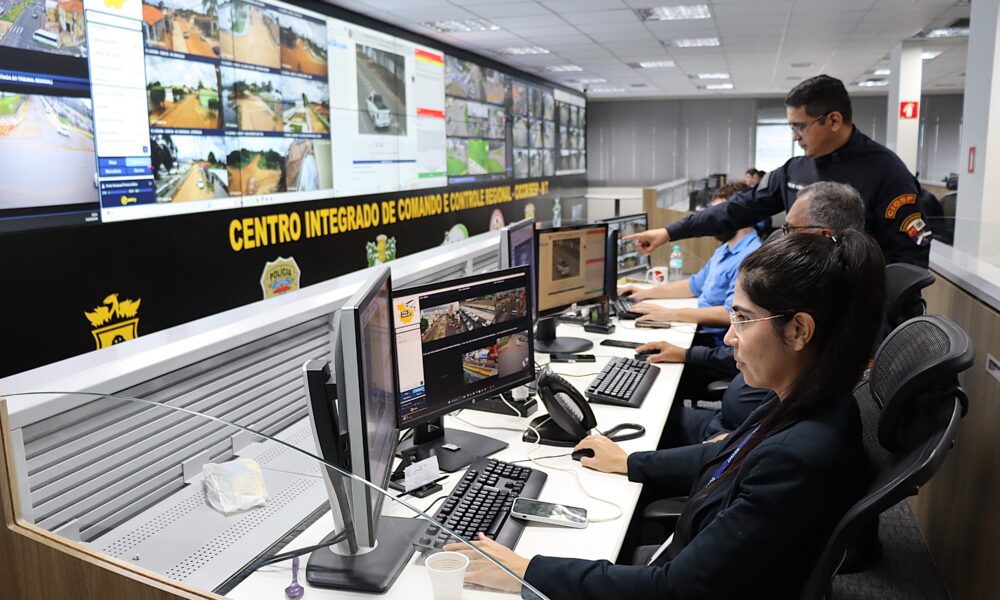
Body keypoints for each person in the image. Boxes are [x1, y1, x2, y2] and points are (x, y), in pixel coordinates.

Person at [446, 231, 885, 599]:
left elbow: (676, 589)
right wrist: (630, 462)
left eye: (743, 319)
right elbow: (727, 456)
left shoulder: (798, 456)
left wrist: (525, 572)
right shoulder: (810, 399)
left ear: (799, 330)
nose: (728, 337)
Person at [635, 181, 869, 448]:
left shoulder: (814, 309)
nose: (783, 237)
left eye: (789, 229)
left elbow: (768, 441)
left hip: (732, 438)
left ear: (799, 331)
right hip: (733, 432)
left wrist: (732, 448)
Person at [626, 75, 931, 268]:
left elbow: (908, 262)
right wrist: (669, 232)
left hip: (860, 315)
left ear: (834, 120)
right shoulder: (794, 170)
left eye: (800, 126)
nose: (794, 136)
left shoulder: (887, 171)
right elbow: (736, 209)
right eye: (791, 127)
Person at [619, 182, 757, 348]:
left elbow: (732, 315)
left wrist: (671, 313)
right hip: (699, 329)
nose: (712, 221)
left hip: (714, 343)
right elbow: (694, 285)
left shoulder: (751, 257)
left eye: (717, 214)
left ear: (740, 215)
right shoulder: (725, 249)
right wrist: (645, 293)